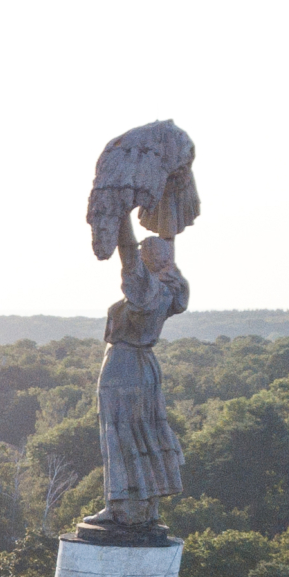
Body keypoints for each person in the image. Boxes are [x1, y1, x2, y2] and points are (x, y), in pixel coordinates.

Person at [89, 208, 189, 532]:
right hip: (145, 370)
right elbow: (164, 247)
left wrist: (120, 215)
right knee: (146, 433)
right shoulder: (170, 290)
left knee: (118, 436)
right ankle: (147, 506)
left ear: (146, 260)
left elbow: (127, 251)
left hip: (123, 368)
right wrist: (167, 206)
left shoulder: (145, 287)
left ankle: (117, 506)